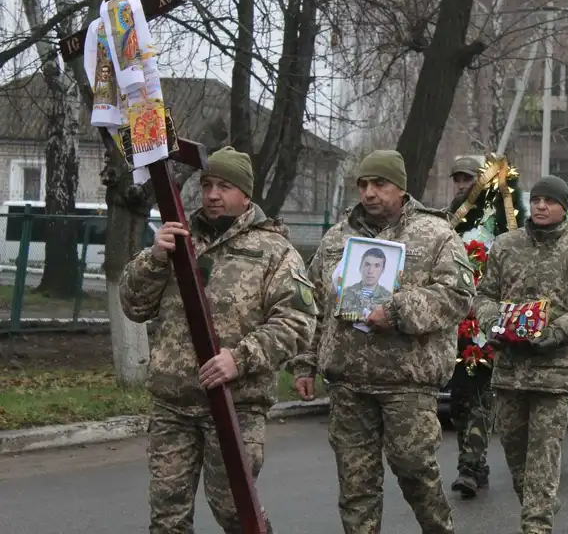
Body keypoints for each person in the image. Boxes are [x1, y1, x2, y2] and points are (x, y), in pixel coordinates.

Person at [119, 146, 318, 533]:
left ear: (246, 195)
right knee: (167, 519)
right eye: (207, 184)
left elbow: (297, 322)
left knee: (235, 512)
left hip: (234, 406)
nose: (212, 194)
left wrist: (239, 359)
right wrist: (155, 258)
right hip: (173, 406)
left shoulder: (274, 251)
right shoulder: (177, 237)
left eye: (224, 186)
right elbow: (133, 306)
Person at [291, 150, 475, 534]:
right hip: (349, 382)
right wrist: (306, 362)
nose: (369, 193)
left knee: (415, 472)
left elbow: (457, 295)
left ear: (402, 187)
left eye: (380, 184)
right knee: (356, 487)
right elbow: (315, 306)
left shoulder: (436, 234)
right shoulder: (336, 238)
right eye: (363, 185)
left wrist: (397, 312)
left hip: (406, 382)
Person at [475, 175, 568, 534]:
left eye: (549, 201)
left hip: (555, 370)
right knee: (514, 451)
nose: (540, 206)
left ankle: (536, 525)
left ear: (563, 207)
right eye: (535, 200)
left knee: (544, 452)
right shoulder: (506, 246)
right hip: (509, 368)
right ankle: (540, 503)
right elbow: (484, 295)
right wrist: (493, 323)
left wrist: (556, 330)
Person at [445, 154, 497, 499]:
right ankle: (477, 465)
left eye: (469, 179)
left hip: (487, 323)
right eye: (459, 179)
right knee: (460, 402)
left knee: (480, 399)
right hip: (455, 325)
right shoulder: (447, 222)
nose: (463, 186)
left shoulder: (499, 218)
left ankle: (469, 465)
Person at [337, 247, 394, 317]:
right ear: (361, 267)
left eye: (376, 266)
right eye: (367, 264)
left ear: (382, 270)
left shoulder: (389, 297)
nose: (370, 271)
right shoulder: (345, 292)